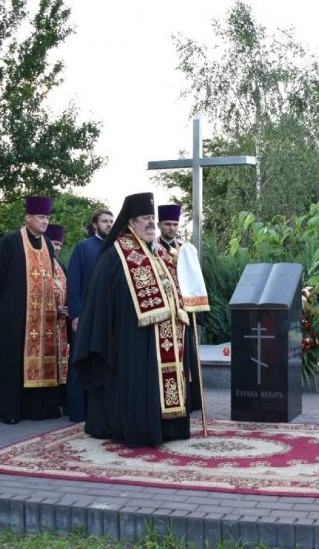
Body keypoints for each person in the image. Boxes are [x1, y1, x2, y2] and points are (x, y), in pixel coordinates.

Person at [73, 192, 201, 448]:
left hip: (165, 337)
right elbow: (103, 299)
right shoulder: (116, 254)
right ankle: (140, 427)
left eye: (153, 218)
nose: (152, 223)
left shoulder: (159, 254)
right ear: (131, 222)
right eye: (146, 218)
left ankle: (168, 427)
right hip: (132, 339)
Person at [0, 195, 62, 424]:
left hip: (42, 318)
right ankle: (9, 410)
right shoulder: (10, 241)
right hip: (15, 317)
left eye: (47, 217)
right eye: (40, 217)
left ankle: (38, 408)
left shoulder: (47, 244)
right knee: (12, 363)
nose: (45, 222)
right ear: (28, 218)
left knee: (41, 359)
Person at [66, 208, 113, 421]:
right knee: (82, 361)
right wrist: (75, 316)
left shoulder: (117, 249)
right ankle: (78, 412)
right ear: (95, 224)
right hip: (85, 317)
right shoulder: (83, 248)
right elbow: (73, 285)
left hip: (109, 319)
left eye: (111, 221)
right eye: (105, 221)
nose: (109, 225)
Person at [45, 223, 70, 412]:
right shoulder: (41, 264)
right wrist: (54, 308)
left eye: (60, 244)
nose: (57, 248)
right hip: (44, 323)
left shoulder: (60, 265)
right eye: (54, 243)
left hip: (60, 324)